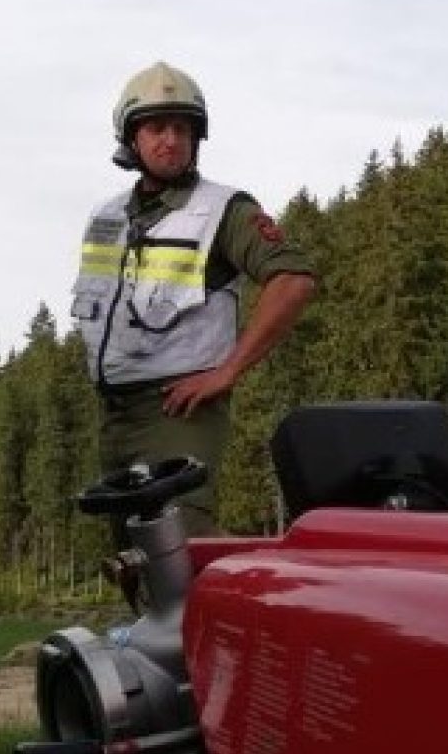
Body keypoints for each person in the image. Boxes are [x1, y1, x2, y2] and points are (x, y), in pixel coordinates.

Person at [73, 61, 315, 536]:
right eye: (157, 128)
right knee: (132, 556)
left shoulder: (223, 209)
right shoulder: (107, 216)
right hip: (115, 414)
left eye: (183, 129)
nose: (171, 140)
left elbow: (293, 280)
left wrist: (227, 372)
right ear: (132, 139)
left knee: (176, 546)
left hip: (177, 409)